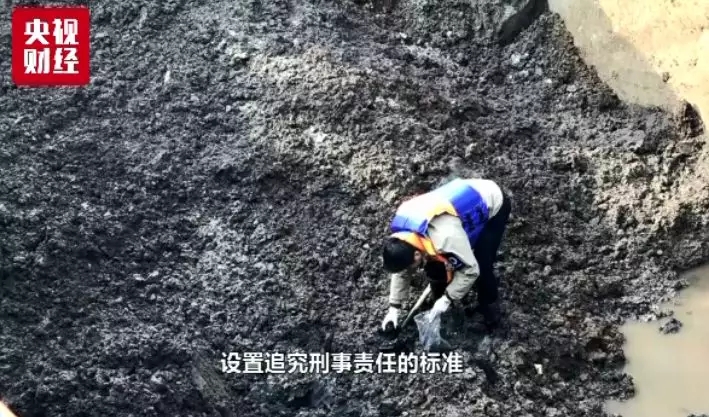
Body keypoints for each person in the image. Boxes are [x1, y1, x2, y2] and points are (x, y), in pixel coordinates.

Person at [380, 177, 512, 332]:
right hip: (452, 216)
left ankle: (489, 312)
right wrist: (393, 308)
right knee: (434, 264)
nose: (410, 269)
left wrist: (448, 299)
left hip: (492, 203)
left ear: (416, 254)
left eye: (412, 265)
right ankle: (440, 296)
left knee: (482, 264)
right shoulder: (402, 236)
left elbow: (471, 270)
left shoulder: (445, 239)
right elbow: (402, 268)